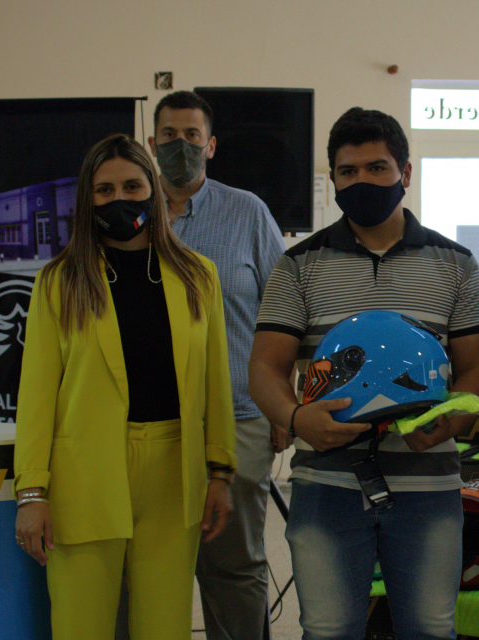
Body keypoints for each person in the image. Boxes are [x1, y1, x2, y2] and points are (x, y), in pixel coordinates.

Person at [249, 107, 479, 640]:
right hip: (326, 483)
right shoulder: (298, 264)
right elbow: (265, 367)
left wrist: (452, 423)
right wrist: (295, 418)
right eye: (348, 171)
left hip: (429, 484)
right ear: (334, 179)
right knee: (329, 631)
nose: (362, 180)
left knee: (429, 630)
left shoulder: (456, 264)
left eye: (377, 168)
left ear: (405, 173)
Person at [12, 133, 237, 640]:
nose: (120, 199)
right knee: (81, 626)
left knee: (165, 627)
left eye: (132, 186)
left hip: (174, 475)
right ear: (87, 200)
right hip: (84, 476)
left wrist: (220, 471)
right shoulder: (59, 281)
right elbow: (37, 396)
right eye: (105, 190)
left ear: (153, 190)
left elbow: (216, 383)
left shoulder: (199, 276)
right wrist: (31, 492)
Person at [145, 90, 285, 640]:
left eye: (191, 136)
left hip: (240, 415)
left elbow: (282, 312)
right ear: (152, 143)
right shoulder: (129, 211)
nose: (180, 145)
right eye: (169, 136)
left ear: (211, 145)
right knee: (154, 563)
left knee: (234, 566)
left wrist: (283, 405)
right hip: (150, 422)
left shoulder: (247, 212)